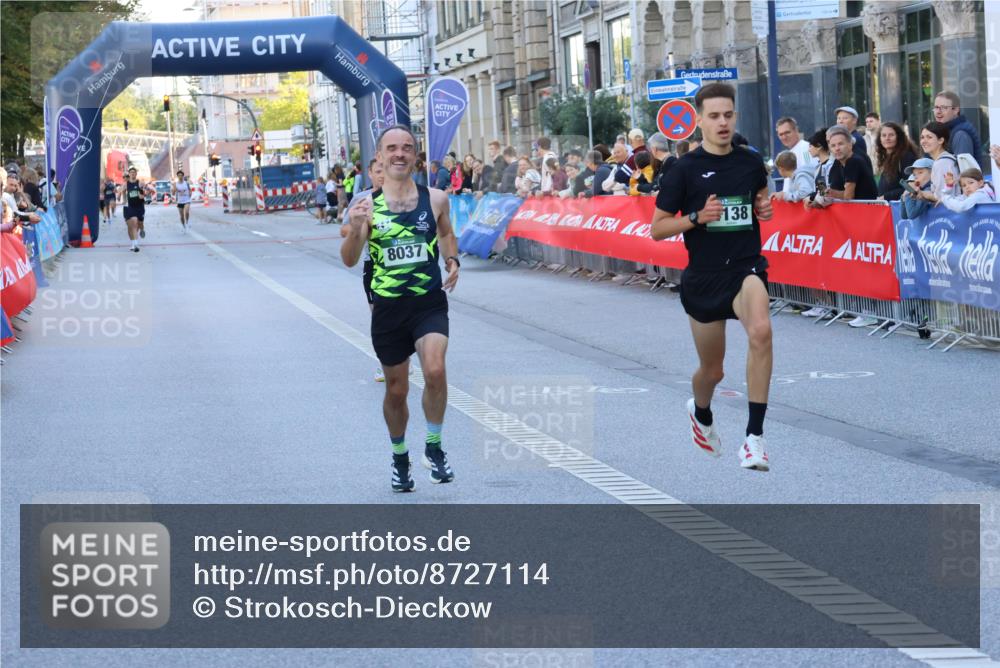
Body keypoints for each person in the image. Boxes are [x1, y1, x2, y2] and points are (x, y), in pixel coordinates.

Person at [651, 82, 774, 472]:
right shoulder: (682, 170)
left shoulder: (751, 162)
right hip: (703, 276)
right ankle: (700, 410)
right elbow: (657, 228)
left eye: (728, 115)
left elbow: (760, 199)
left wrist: (764, 207)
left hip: (744, 268)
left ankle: (754, 439)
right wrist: (695, 219)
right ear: (699, 120)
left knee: (761, 332)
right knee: (713, 370)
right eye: (714, 116)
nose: (722, 122)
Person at [340, 125, 460, 492]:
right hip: (389, 309)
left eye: (407, 147)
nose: (400, 153)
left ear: (415, 155)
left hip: (427, 302)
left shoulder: (436, 198)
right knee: (396, 389)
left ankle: (435, 448)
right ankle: (399, 457)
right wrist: (359, 227)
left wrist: (452, 260)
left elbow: (445, 232)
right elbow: (348, 259)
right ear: (379, 157)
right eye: (392, 148)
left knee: (436, 370)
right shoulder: (364, 205)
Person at [340, 159, 387, 381]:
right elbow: (345, 229)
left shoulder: (404, 199)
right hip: (373, 263)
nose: (382, 175)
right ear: (370, 174)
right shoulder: (362, 200)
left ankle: (401, 356)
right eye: (377, 171)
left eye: (384, 170)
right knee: (379, 315)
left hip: (401, 266)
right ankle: (385, 360)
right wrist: (359, 225)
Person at [807, 125, 877, 206]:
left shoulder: (849, 159)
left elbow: (842, 194)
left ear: (819, 146)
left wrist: (818, 197)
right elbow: (826, 189)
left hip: (862, 209)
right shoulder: (821, 166)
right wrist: (813, 197)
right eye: (832, 144)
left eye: (810, 146)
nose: (836, 148)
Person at [933, 90, 983, 168]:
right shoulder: (946, 131)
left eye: (943, 107)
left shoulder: (961, 135)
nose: (938, 112)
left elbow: (965, 171)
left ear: (956, 110)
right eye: (936, 107)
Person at [875, 122, 918, 201]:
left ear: (899, 137)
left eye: (891, 135)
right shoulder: (887, 157)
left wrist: (886, 197)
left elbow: (910, 187)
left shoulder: (906, 157)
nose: (887, 138)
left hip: (899, 208)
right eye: (883, 135)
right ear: (880, 139)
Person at [919, 121, 960, 199]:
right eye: (922, 137)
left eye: (929, 137)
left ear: (941, 140)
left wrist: (924, 195)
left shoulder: (942, 163)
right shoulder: (946, 160)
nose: (924, 141)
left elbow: (942, 198)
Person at [122, 166, 147, 252]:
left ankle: (142, 229)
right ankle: (135, 244)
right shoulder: (126, 184)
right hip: (131, 207)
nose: (132, 174)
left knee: (140, 223)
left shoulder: (140, 183)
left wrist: (143, 195)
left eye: (134, 172)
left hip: (140, 207)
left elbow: (148, 191)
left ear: (136, 174)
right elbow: (120, 192)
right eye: (131, 172)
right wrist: (118, 196)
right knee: (134, 223)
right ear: (129, 174)